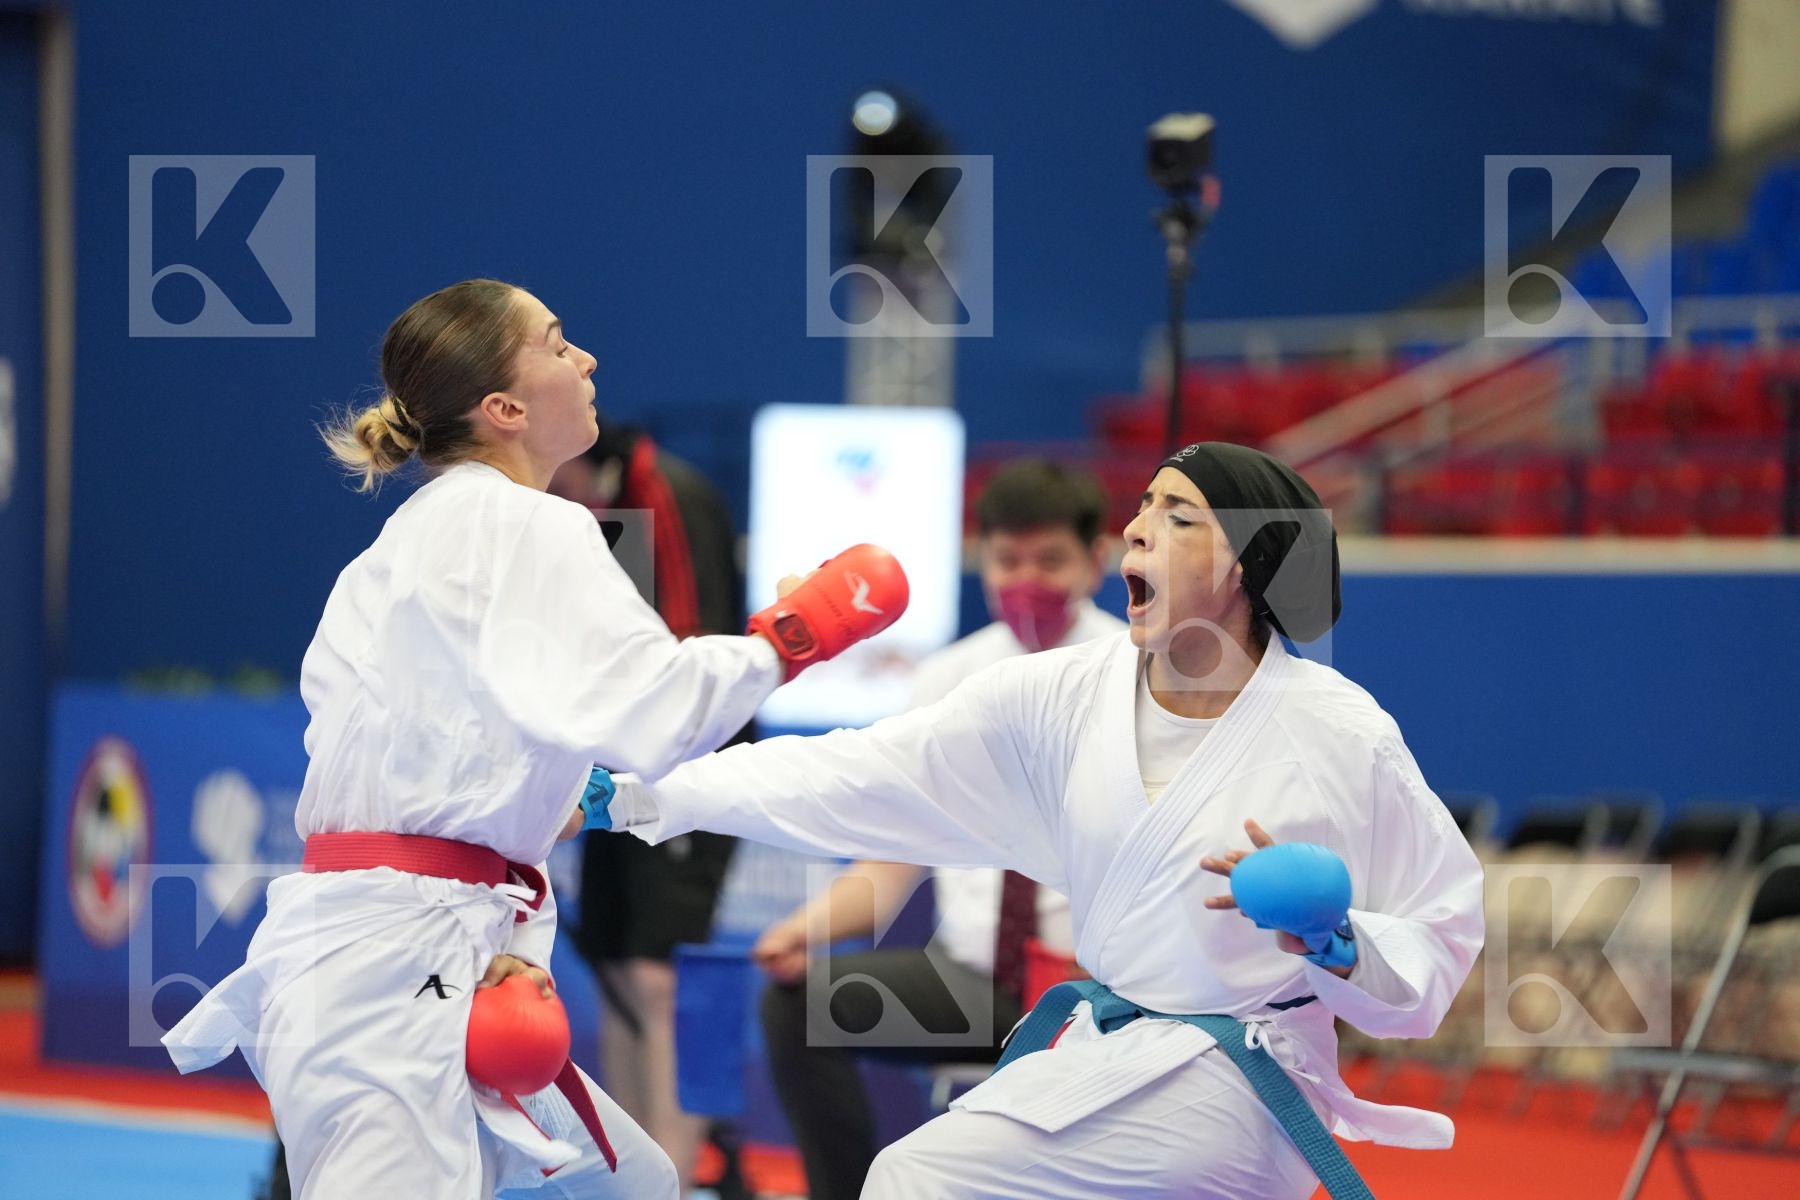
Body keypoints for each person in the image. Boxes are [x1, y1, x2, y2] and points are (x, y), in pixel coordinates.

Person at [160, 278, 902, 1200]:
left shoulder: (397, 549)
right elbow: (656, 712)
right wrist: (797, 632)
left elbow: (459, 757)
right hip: (402, 959)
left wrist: (530, 894)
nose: (585, 359)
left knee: (632, 1180)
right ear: (504, 407)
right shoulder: (531, 525)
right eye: (557, 343)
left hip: (390, 943)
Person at [593, 442, 1486, 1199]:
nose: (1139, 526)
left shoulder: (1338, 732)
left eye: (1177, 516)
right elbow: (859, 772)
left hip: (1242, 1078)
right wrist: (653, 795)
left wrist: (1335, 940)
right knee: (911, 1175)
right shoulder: (1060, 695)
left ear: (1248, 563)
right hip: (1094, 1043)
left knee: (927, 1181)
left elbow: (1441, 935)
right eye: (1142, 506)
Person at [750, 458, 1121, 1200]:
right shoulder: (946, 680)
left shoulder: (1135, 671)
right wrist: (808, 927)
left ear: (1098, 561)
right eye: (1007, 560)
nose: (1026, 581)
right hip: (972, 987)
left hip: (1105, 990)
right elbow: (892, 858)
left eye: (1050, 560)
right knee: (798, 1005)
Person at [547, 424, 750, 1193]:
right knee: (614, 964)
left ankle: (676, 1171)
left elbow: (685, 654)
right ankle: (631, 1172)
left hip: (683, 765)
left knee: (659, 975)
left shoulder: (665, 494)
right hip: (610, 765)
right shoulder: (579, 511)